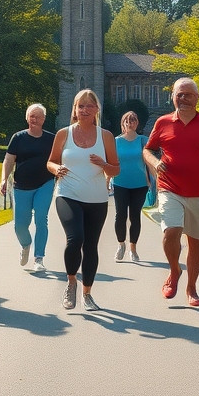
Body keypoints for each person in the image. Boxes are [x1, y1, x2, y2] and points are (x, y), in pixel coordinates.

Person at [143, 78, 199, 307]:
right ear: (172, 97)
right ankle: (174, 271)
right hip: (169, 187)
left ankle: (192, 289)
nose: (182, 98)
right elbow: (148, 149)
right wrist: (154, 161)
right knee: (171, 231)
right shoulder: (162, 122)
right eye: (178, 94)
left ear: (197, 98)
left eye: (187, 94)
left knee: (196, 241)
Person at [47, 89, 120, 311]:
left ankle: (87, 293)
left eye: (89, 106)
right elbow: (50, 162)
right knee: (75, 238)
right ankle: (71, 284)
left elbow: (116, 170)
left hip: (97, 198)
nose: (85, 110)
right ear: (75, 110)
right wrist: (56, 168)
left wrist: (103, 165)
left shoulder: (105, 136)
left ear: (97, 109)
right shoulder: (63, 134)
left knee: (90, 246)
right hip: (67, 193)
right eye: (80, 106)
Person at [1, 103, 56, 273]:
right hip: (21, 186)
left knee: (41, 219)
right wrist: (4, 179)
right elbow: (9, 160)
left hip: (45, 184)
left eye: (38, 116)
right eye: (32, 116)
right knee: (20, 226)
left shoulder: (51, 139)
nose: (34, 119)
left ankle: (39, 258)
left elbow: (57, 159)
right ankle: (26, 245)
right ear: (27, 118)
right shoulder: (18, 138)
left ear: (44, 119)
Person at [112, 111, 153, 264]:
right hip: (120, 182)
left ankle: (133, 248)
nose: (131, 123)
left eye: (134, 120)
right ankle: (121, 244)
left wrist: (151, 180)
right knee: (120, 215)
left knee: (135, 216)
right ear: (123, 123)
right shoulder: (116, 141)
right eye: (128, 120)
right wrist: (107, 180)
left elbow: (150, 160)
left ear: (137, 123)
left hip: (140, 184)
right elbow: (111, 162)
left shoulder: (143, 140)